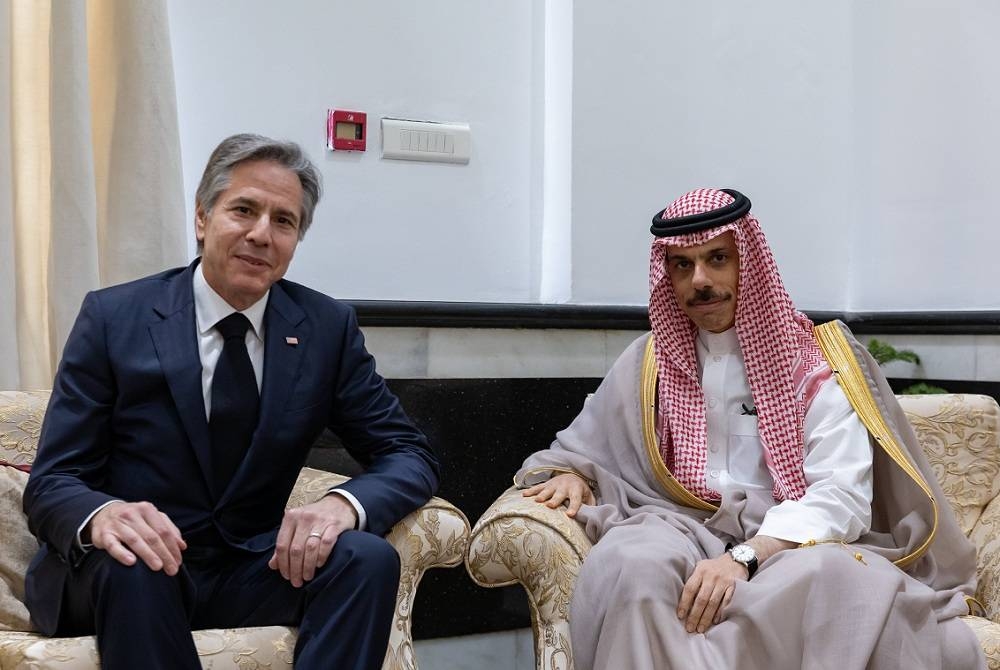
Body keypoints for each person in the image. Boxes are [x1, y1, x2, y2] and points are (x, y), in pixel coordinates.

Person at [516, 188, 984, 669]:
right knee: (630, 563)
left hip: (786, 543)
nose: (700, 280)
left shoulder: (816, 365)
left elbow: (841, 495)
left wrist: (745, 557)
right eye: (683, 265)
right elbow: (586, 445)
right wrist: (574, 473)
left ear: (748, 261)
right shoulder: (650, 363)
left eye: (717, 259)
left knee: (835, 577)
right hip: (677, 524)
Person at [23, 133, 440, 670]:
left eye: (283, 221)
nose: (261, 234)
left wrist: (343, 505)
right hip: (125, 571)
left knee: (365, 557)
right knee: (138, 562)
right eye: (243, 210)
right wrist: (104, 515)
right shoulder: (114, 318)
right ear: (202, 219)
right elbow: (53, 480)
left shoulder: (325, 329)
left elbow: (408, 452)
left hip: (246, 567)